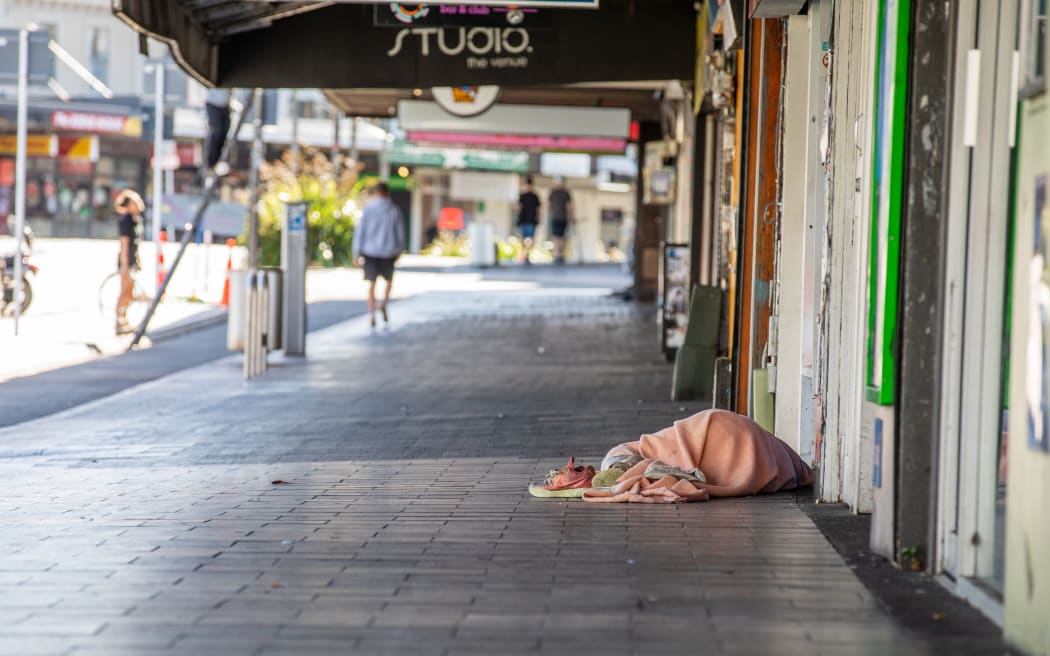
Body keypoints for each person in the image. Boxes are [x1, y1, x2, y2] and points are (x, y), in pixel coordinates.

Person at [353, 182, 405, 328]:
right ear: (387, 193)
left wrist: (356, 252)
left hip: (370, 252)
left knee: (371, 283)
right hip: (389, 251)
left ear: (376, 194)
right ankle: (384, 303)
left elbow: (360, 232)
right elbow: (400, 233)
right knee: (389, 281)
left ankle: (371, 314)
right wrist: (399, 250)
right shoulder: (394, 210)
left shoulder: (368, 210)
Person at [113, 189, 145, 335]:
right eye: (135, 202)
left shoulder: (134, 219)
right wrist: (125, 264)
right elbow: (124, 244)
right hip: (126, 260)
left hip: (132, 259)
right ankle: (119, 321)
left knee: (129, 292)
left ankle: (123, 319)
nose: (138, 204)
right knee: (124, 291)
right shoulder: (125, 220)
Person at [515, 176, 541, 264]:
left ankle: (528, 254)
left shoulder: (535, 196)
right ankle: (523, 255)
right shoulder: (522, 195)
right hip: (523, 219)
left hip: (532, 220)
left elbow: (538, 208)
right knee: (522, 238)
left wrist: (538, 218)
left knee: (530, 239)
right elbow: (517, 207)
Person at [548, 178, 573, 264]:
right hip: (559, 217)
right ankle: (558, 254)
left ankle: (558, 254)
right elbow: (569, 206)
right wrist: (571, 216)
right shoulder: (562, 193)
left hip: (559, 217)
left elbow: (569, 206)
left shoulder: (555, 193)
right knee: (558, 237)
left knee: (558, 237)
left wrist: (571, 216)